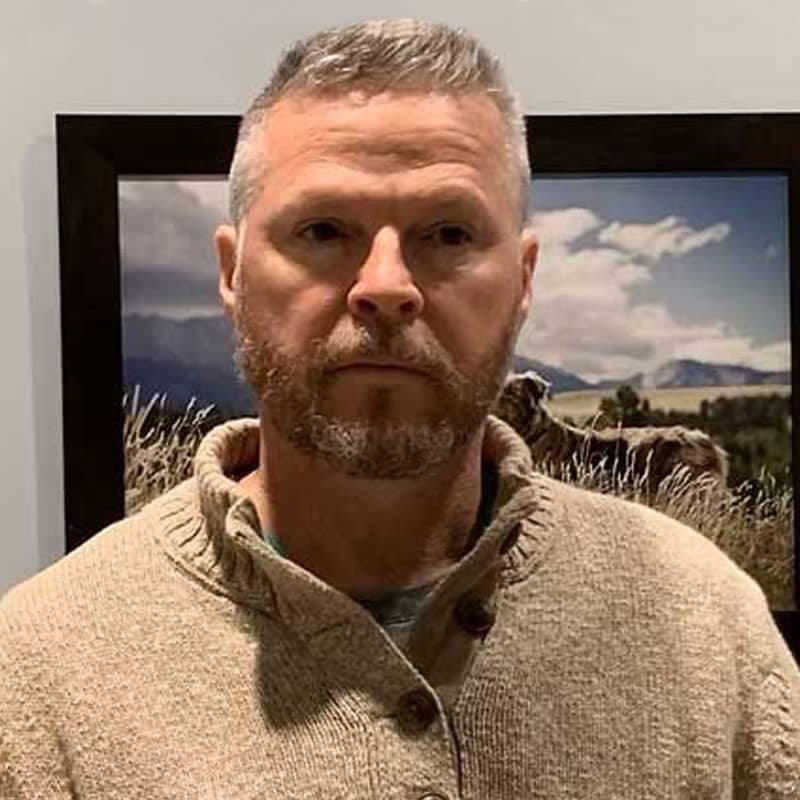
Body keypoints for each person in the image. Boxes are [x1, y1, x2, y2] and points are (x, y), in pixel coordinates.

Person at [1, 18, 798, 799]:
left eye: (448, 234)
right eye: (323, 230)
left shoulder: (709, 625)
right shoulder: (44, 671)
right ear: (233, 273)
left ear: (522, 282)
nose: (385, 286)